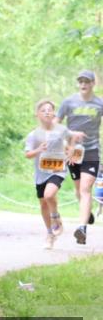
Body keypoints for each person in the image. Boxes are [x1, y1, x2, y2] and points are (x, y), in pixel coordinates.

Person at [25, 99, 80, 249]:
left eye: (49, 110)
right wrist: (38, 150)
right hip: (41, 173)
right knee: (43, 203)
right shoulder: (33, 135)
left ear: (54, 113)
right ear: (37, 114)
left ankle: (55, 216)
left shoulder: (61, 130)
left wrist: (71, 150)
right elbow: (28, 154)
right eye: (43, 110)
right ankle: (50, 234)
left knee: (49, 195)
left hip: (58, 170)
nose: (47, 112)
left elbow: (72, 138)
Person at [57, 70, 103, 245]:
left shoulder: (99, 103)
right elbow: (55, 124)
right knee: (79, 191)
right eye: (81, 81)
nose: (83, 84)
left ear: (93, 84)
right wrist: (68, 137)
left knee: (85, 189)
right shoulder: (68, 102)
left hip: (92, 151)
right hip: (73, 152)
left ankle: (82, 229)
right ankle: (87, 212)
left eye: (87, 81)